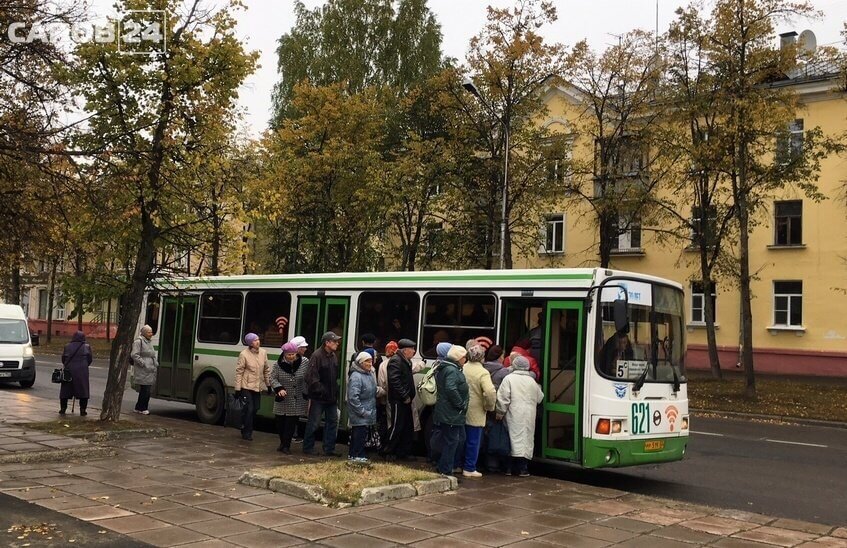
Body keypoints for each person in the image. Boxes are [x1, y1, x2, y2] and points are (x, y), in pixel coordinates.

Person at [496, 355, 544, 477]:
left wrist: (500, 412)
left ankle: (508, 468)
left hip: (513, 414)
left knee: (511, 439)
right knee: (526, 440)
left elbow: (503, 398)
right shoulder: (532, 381)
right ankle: (523, 468)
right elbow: (540, 397)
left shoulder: (509, 379)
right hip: (529, 415)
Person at [303, 331, 342, 456]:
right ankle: (308, 447)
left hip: (331, 397)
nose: (337, 343)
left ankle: (329, 449)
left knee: (332, 422)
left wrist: (334, 390)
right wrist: (321, 390)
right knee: (314, 423)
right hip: (319, 397)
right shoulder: (317, 356)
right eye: (335, 341)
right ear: (327, 343)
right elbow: (311, 377)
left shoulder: (333, 356)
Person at [432, 344, 469, 476]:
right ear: (458, 358)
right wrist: (461, 404)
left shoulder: (447, 368)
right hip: (451, 412)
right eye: (464, 357)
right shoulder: (452, 370)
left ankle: (444, 466)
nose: (466, 360)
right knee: (452, 441)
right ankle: (445, 470)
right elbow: (450, 388)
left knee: (456, 440)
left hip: (448, 411)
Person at [461, 344, 496, 478]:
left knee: (461, 439)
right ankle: (469, 468)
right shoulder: (483, 372)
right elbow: (490, 392)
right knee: (473, 440)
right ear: (481, 357)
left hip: (462, 409)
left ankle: (458, 464)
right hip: (476, 411)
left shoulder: (463, 368)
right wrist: (489, 406)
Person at [381, 338, 417, 461]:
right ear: (405, 350)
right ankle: (388, 450)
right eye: (412, 349)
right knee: (397, 425)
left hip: (406, 400)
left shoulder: (405, 360)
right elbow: (394, 381)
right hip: (398, 400)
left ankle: (404, 452)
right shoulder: (396, 361)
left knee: (407, 426)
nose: (414, 351)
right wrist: (404, 395)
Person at [270, 341, 306, 454]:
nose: (291, 357)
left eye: (293, 354)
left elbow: (309, 375)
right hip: (283, 398)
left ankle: (286, 446)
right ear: (284, 354)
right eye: (289, 355)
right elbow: (272, 379)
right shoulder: (278, 364)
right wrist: (279, 388)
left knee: (290, 424)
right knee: (280, 423)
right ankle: (282, 443)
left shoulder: (304, 362)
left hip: (297, 399)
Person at [347, 351, 383, 462]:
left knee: (359, 434)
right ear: (361, 363)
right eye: (367, 361)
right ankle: (358, 455)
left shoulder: (369, 374)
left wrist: (380, 391)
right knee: (359, 434)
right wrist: (362, 411)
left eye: (371, 361)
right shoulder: (356, 377)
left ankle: (353, 454)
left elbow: (372, 389)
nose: (370, 363)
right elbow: (353, 397)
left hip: (368, 410)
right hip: (360, 412)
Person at [235, 333, 271, 441]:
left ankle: (244, 423)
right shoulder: (244, 354)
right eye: (255, 340)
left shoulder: (263, 353)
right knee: (249, 409)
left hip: (257, 386)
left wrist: (268, 385)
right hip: (246, 386)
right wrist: (237, 389)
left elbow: (266, 370)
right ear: (250, 343)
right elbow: (239, 372)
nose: (258, 342)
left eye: (258, 340)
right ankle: (247, 432)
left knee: (256, 408)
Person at [59, 331, 93, 416]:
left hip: (69, 371)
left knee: (65, 391)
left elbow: (63, 359)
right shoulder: (86, 347)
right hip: (82, 372)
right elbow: (89, 359)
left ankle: (63, 408)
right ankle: (83, 409)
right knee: (83, 391)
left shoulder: (67, 346)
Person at [131, 325, 158, 415]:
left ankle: (139, 407)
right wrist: (143, 363)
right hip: (143, 370)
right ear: (144, 333)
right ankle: (143, 408)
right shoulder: (139, 342)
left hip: (149, 369)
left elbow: (152, 353)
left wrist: (155, 363)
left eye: (151, 332)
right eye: (149, 332)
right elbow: (134, 354)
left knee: (146, 389)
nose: (151, 334)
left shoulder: (148, 341)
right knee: (146, 390)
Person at [289, 335, 310, 441]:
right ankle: (290, 434)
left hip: (300, 392)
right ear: (297, 348)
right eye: (303, 347)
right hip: (289, 392)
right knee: (290, 415)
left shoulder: (305, 361)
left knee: (296, 414)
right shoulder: (287, 359)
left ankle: (294, 433)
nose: (306, 349)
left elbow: (308, 376)